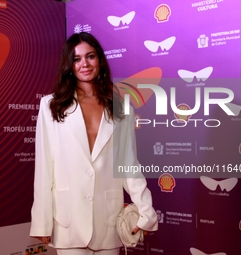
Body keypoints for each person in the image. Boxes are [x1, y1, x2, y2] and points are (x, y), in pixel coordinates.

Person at [30, 32, 158, 255]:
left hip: (107, 219)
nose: (84, 64)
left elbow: (128, 164)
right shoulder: (50, 105)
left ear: (99, 59)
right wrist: (41, 220)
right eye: (77, 59)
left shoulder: (121, 106)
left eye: (90, 56)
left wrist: (146, 210)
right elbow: (44, 167)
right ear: (69, 64)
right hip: (68, 220)